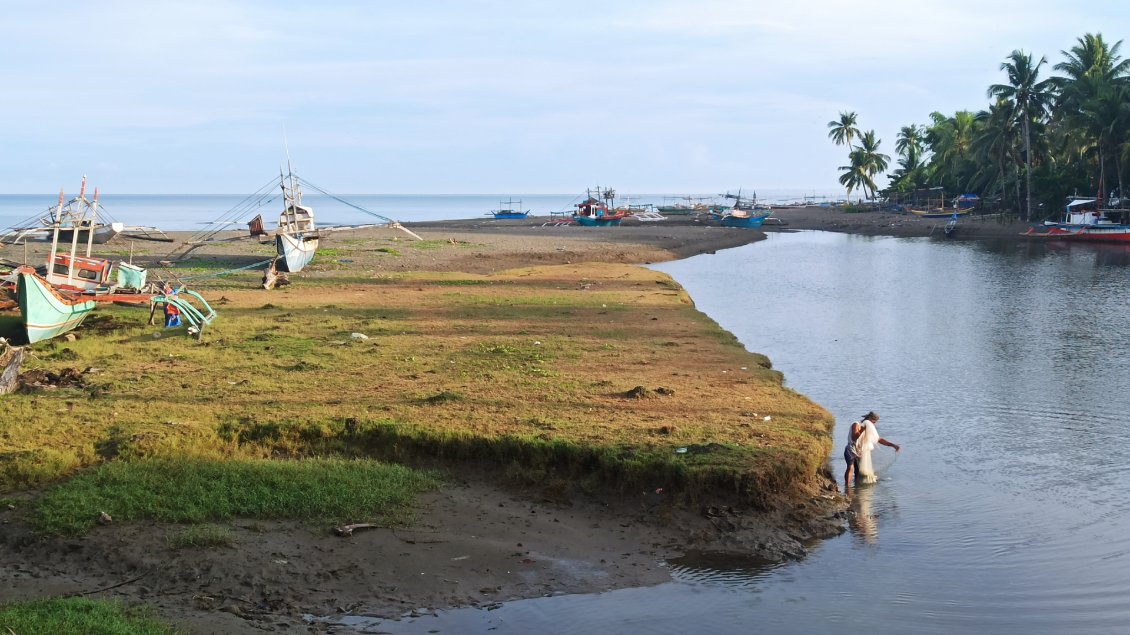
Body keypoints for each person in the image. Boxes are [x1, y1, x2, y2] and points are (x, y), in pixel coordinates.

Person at [843, 411, 900, 489]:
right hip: (851, 450)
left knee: (858, 472)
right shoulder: (856, 424)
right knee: (850, 467)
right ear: (869, 419)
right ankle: (847, 488)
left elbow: (879, 439)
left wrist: (893, 445)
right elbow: (854, 437)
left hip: (860, 453)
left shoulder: (869, 429)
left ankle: (856, 489)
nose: (874, 424)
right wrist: (862, 429)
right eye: (873, 422)